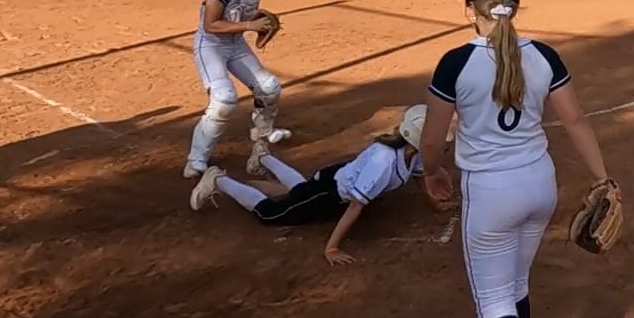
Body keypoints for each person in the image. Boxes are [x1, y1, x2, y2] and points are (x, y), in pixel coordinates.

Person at [419, 0, 615, 318]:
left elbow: (432, 139)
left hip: (490, 195)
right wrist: (603, 178)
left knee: (494, 304)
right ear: (516, 7)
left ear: (471, 8)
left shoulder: (456, 62)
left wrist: (431, 172)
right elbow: (575, 120)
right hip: (539, 185)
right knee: (517, 284)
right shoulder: (543, 55)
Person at [190, 105, 445, 265]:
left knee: (299, 191)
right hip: (330, 193)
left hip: (334, 181)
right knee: (272, 213)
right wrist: (331, 247)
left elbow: (420, 177)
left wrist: (435, 203)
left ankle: (263, 157)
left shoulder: (412, 153)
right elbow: (355, 206)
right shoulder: (383, 162)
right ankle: (218, 179)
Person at [183, 0, 291, 179]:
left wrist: (258, 22)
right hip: (211, 46)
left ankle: (263, 133)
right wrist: (250, 26)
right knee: (224, 99)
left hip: (235, 44)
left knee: (269, 87)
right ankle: (196, 159)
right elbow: (211, 24)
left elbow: (240, 17)